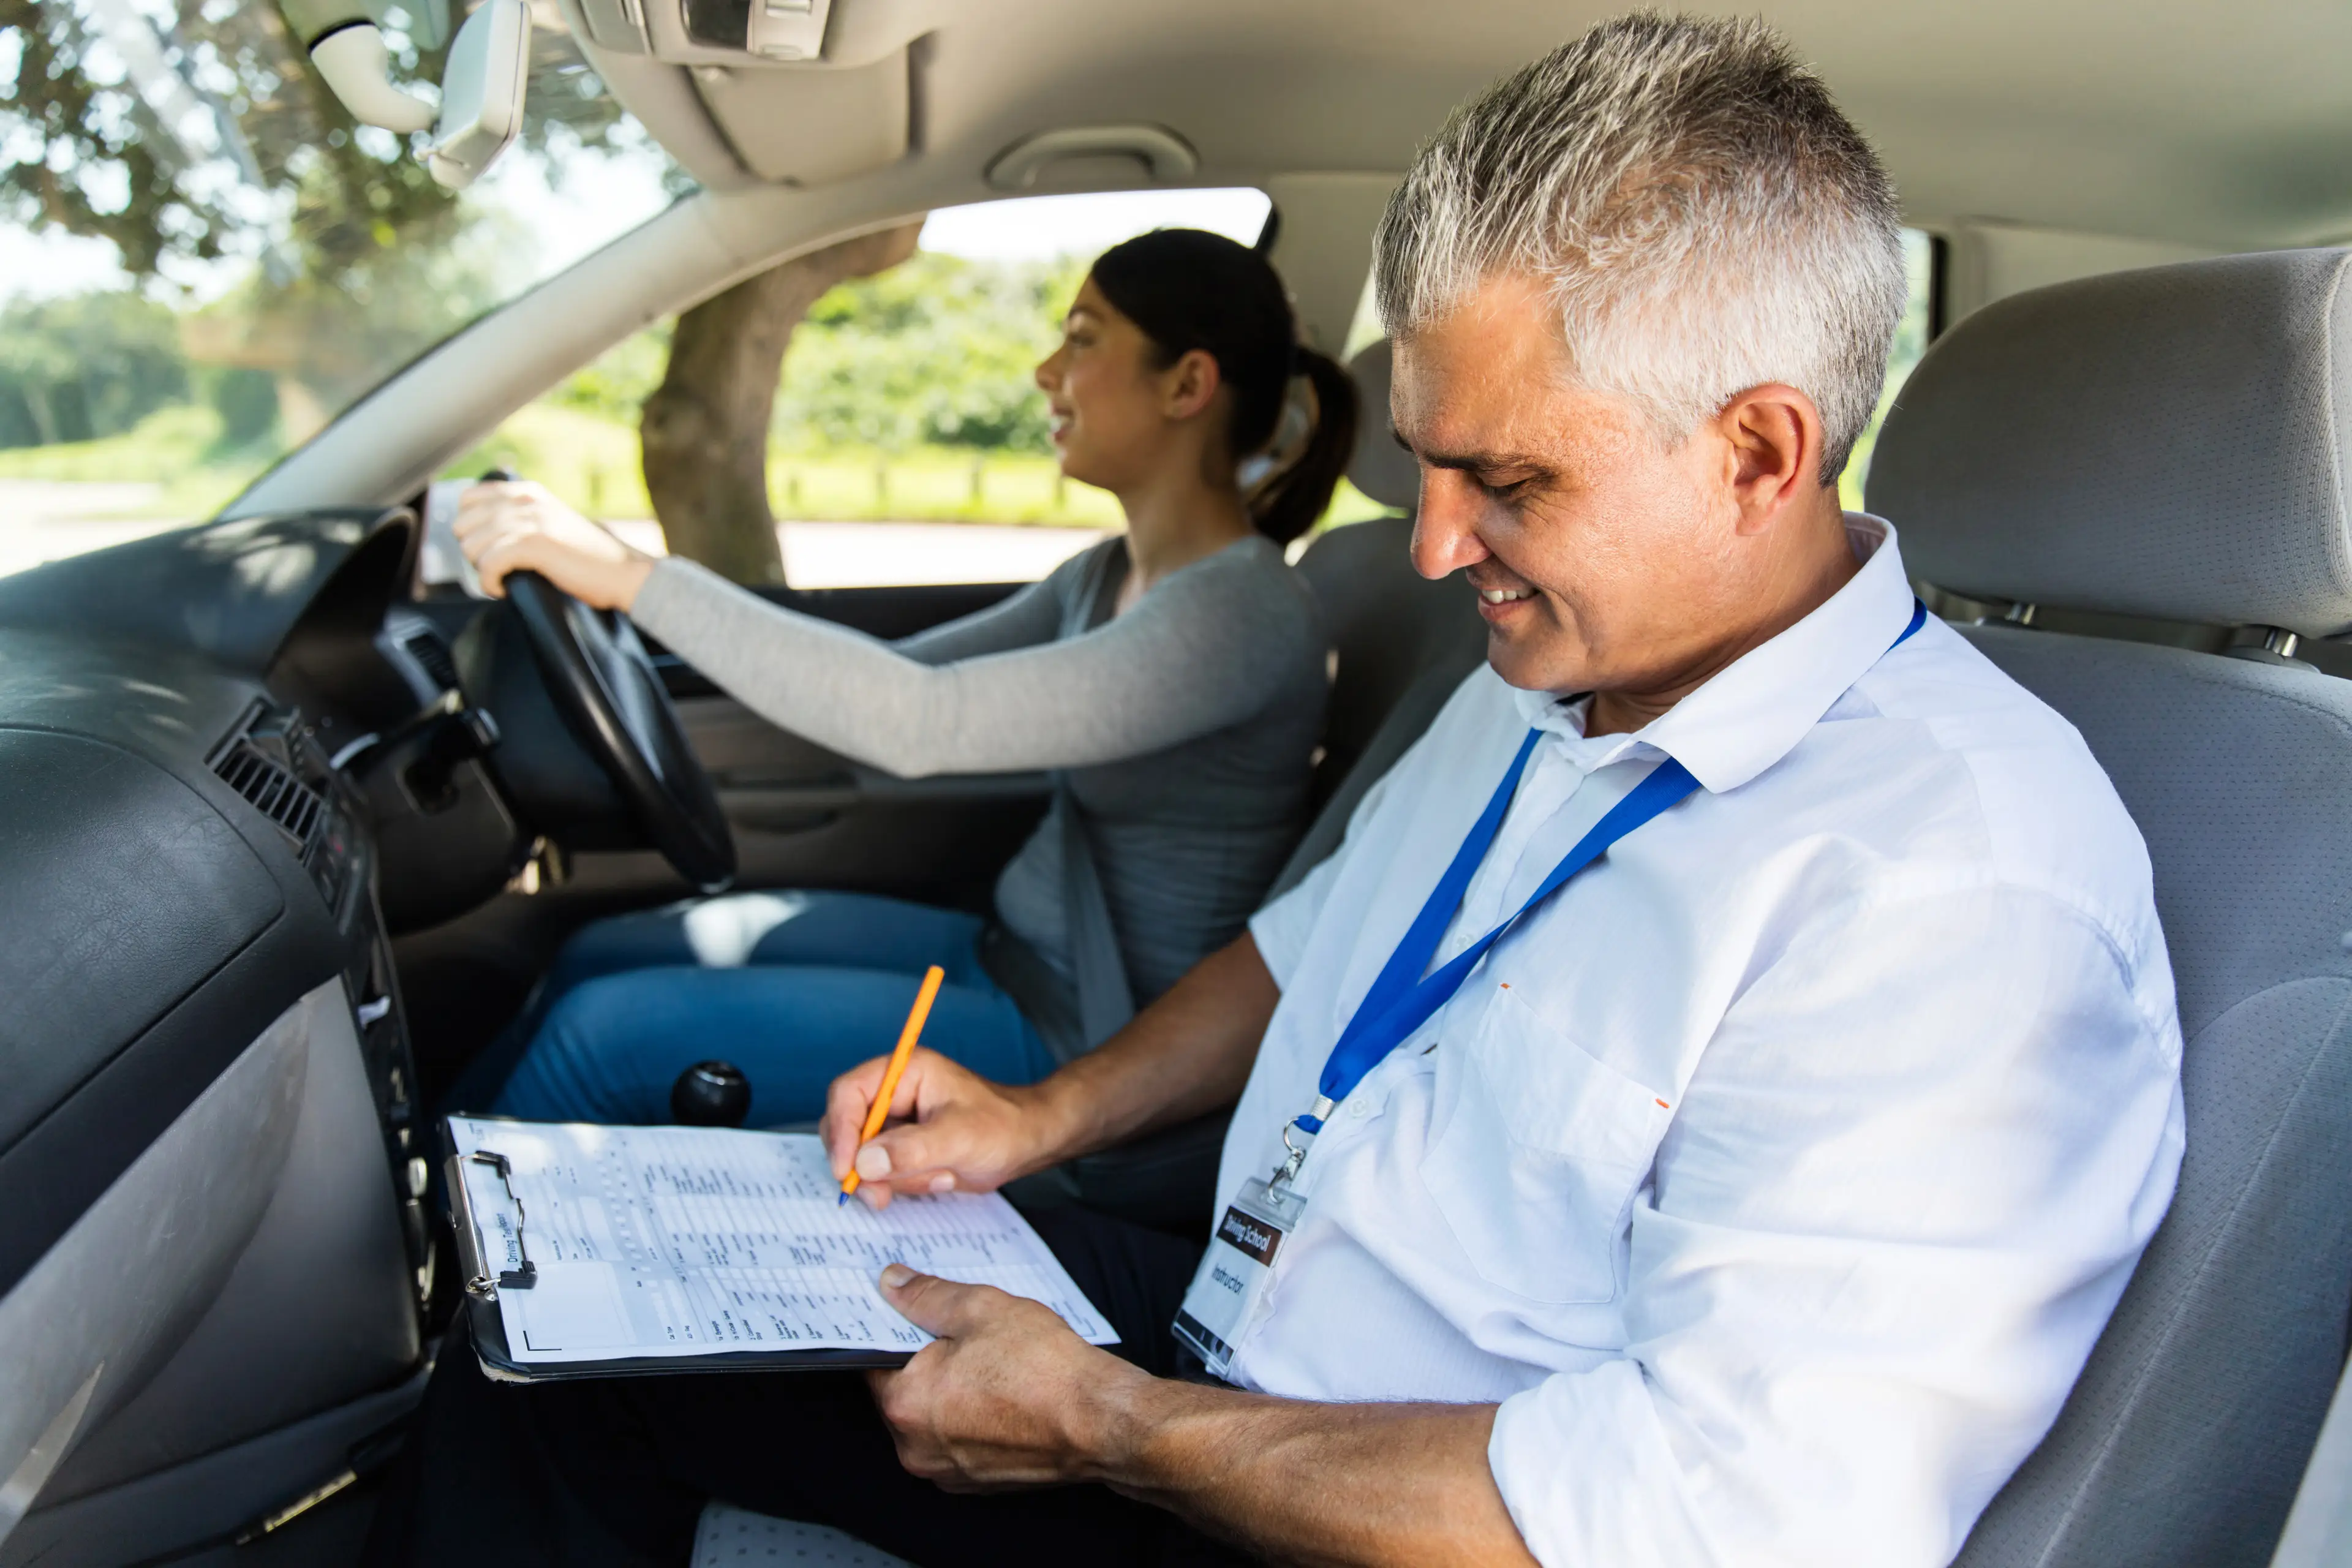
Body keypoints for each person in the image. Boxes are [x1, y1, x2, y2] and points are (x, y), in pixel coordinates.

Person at [369, 16, 2185, 1567]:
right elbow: (1310, 945)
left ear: (1759, 454)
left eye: (1512, 483)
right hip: (1215, 1351)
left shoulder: (1960, 886)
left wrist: (1109, 1429)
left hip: (1366, 1505)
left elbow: (1693, 1514)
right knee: (555, 1341)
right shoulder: (1553, 676)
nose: (1434, 543)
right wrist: (1037, 1123)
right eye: (1426, 465)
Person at [448, 228, 1354, 1128]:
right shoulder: (1104, 574)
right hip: (1005, 953)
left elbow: (921, 724)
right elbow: (891, 681)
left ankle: (431, 1255)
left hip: (1091, 1041)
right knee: (598, 955)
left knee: (601, 1038)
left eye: (1082, 337)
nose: (1047, 370)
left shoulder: (1240, 614)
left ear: (1188, 385)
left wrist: (630, 576)